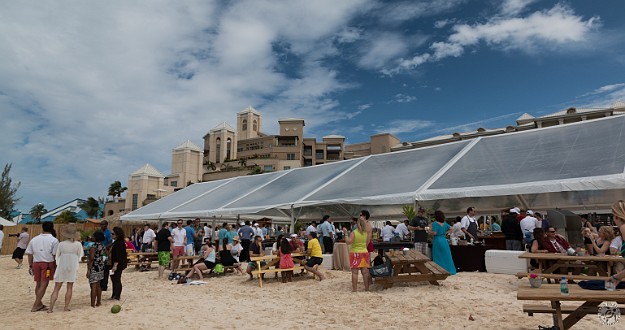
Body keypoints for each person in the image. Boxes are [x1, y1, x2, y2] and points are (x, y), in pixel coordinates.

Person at [48, 224, 83, 313]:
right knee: (69, 287)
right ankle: (66, 307)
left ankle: (50, 308)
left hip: (62, 265)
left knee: (56, 288)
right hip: (73, 266)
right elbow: (80, 256)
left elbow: (57, 255)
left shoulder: (61, 244)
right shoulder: (78, 244)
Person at [25, 221, 59, 312]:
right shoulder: (54, 240)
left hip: (36, 263)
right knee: (44, 284)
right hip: (47, 264)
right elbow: (55, 255)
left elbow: (30, 254)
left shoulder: (34, 239)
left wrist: (30, 265)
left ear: (42, 228)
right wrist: (56, 267)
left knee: (38, 284)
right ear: (52, 228)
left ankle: (39, 304)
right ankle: (36, 304)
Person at [345, 213, 370, 291]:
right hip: (364, 252)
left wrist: (345, 233)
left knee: (355, 272)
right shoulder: (366, 233)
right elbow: (366, 242)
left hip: (355, 252)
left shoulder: (354, 232)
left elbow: (348, 242)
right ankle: (367, 288)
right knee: (365, 272)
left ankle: (355, 289)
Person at [430, 210, 456, 275]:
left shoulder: (435, 223)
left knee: (437, 256)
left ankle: (439, 270)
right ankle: (449, 270)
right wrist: (446, 232)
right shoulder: (444, 223)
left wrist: (428, 231)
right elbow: (452, 228)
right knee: (446, 255)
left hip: (437, 240)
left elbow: (435, 233)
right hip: (444, 240)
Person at [86, 231, 105, 307]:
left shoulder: (93, 247)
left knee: (93, 286)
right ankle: (99, 302)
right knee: (98, 285)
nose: (91, 237)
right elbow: (107, 253)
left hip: (94, 267)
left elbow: (91, 258)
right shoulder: (102, 246)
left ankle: (92, 304)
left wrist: (89, 269)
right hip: (100, 266)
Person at [109, 227, 127, 300]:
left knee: (116, 279)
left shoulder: (119, 243)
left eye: (113, 234)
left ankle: (117, 295)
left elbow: (118, 255)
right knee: (114, 279)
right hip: (114, 263)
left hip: (117, 264)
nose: (111, 235)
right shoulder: (116, 242)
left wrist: (115, 265)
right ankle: (114, 294)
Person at [99, 220, 112, 292]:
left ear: (106, 225)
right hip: (99, 252)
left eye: (103, 224)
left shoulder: (108, 233)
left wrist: (105, 248)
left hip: (105, 252)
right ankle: (100, 284)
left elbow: (110, 242)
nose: (102, 226)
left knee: (105, 270)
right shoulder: (100, 232)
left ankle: (104, 286)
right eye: (101, 224)